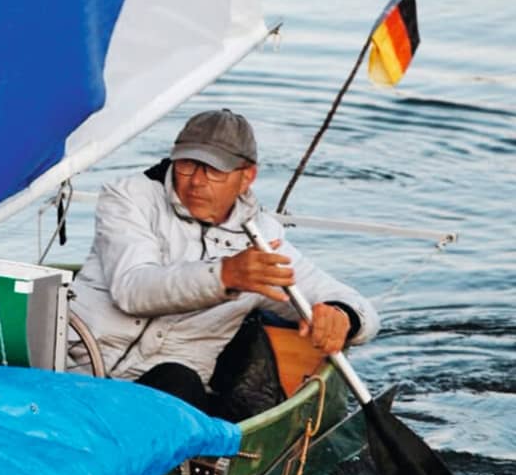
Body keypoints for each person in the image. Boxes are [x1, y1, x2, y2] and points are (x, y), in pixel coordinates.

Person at [68, 109, 379, 412]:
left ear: (247, 177)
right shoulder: (130, 197)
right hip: (71, 371)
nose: (196, 182)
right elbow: (132, 290)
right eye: (187, 165)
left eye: (214, 170)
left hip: (164, 396)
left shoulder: (263, 239)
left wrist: (342, 316)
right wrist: (225, 276)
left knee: (180, 380)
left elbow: (359, 308)